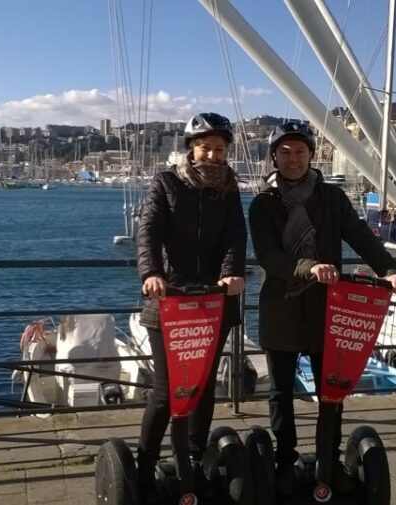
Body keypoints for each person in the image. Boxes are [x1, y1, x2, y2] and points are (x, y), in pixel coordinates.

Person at [248, 120, 396, 496]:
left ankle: (328, 458)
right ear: (274, 157)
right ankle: (285, 460)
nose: (293, 159)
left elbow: (360, 237)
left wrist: (390, 270)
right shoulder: (262, 205)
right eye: (285, 152)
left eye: (300, 151)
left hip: (328, 310)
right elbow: (268, 256)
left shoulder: (332, 199)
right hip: (282, 308)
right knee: (281, 392)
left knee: (331, 390)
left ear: (312, 155)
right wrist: (308, 267)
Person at [135, 112, 247, 503]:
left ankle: (197, 459)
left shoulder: (229, 189)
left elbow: (236, 237)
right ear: (191, 149)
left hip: (213, 305)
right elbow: (148, 230)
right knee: (168, 392)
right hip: (170, 301)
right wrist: (151, 272)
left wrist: (232, 274)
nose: (213, 155)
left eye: (219, 148)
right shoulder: (167, 183)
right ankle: (144, 465)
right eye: (205, 147)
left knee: (202, 389)